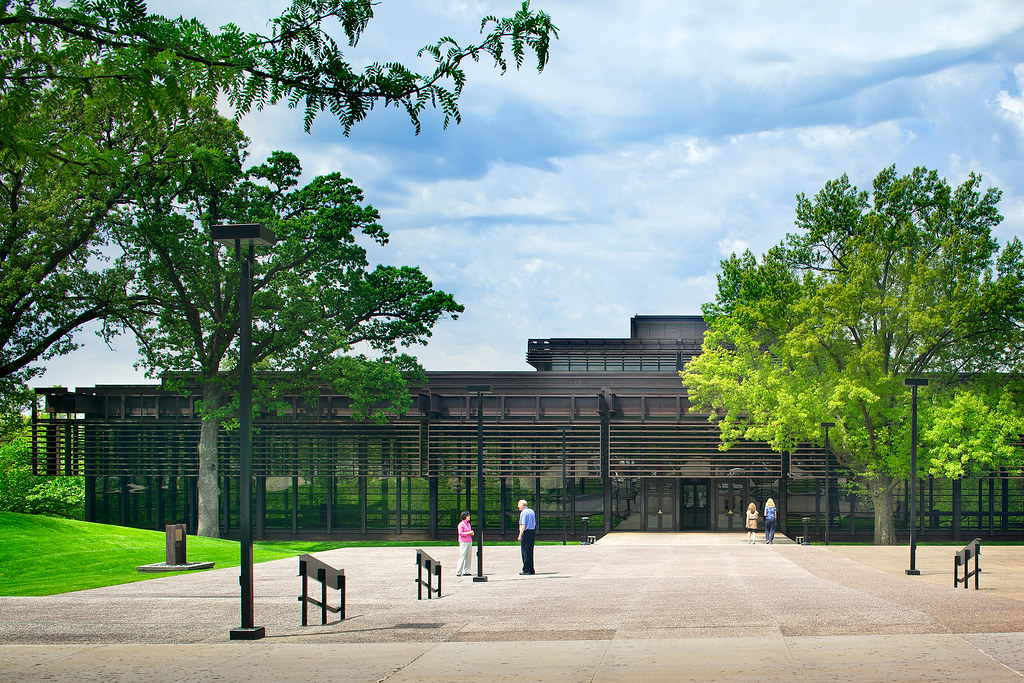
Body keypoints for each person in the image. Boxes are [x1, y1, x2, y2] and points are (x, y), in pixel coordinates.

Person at [517, 499, 536, 574]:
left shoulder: (524, 513)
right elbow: (534, 523)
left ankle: (526, 569)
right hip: (532, 531)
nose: (518, 506)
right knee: (530, 550)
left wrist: (520, 535)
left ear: (522, 505)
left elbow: (523, 525)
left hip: (526, 532)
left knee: (525, 551)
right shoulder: (531, 511)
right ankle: (531, 568)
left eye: (519, 505)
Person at [456, 511, 474, 575]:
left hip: (469, 541)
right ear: (465, 516)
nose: (469, 517)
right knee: (462, 556)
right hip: (463, 542)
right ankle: (458, 571)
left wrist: (471, 533)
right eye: (468, 516)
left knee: (468, 556)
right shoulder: (461, 524)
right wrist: (468, 533)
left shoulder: (468, 524)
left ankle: (466, 571)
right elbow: (460, 533)